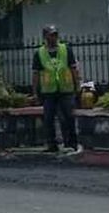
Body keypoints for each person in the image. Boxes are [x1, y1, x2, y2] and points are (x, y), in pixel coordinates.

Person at [32, 24, 81, 154]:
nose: (53, 37)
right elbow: (36, 74)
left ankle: (71, 143)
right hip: (48, 91)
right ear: (45, 37)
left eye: (55, 35)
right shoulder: (39, 53)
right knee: (48, 119)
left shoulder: (66, 49)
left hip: (66, 89)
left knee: (68, 117)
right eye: (50, 35)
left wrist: (78, 85)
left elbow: (73, 68)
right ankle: (51, 144)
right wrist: (35, 93)